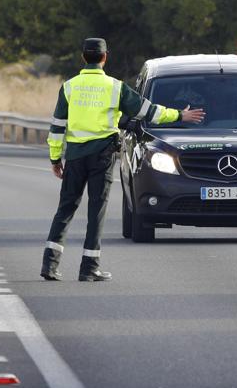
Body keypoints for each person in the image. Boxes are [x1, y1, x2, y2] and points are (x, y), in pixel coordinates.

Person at [41, 38, 205, 281]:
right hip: (102, 157)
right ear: (105, 57)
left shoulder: (69, 87)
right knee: (96, 210)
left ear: (83, 57)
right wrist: (180, 114)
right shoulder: (115, 87)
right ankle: (89, 268)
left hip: (75, 156)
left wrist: (55, 158)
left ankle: (50, 265)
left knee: (66, 208)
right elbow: (149, 111)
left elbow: (56, 128)